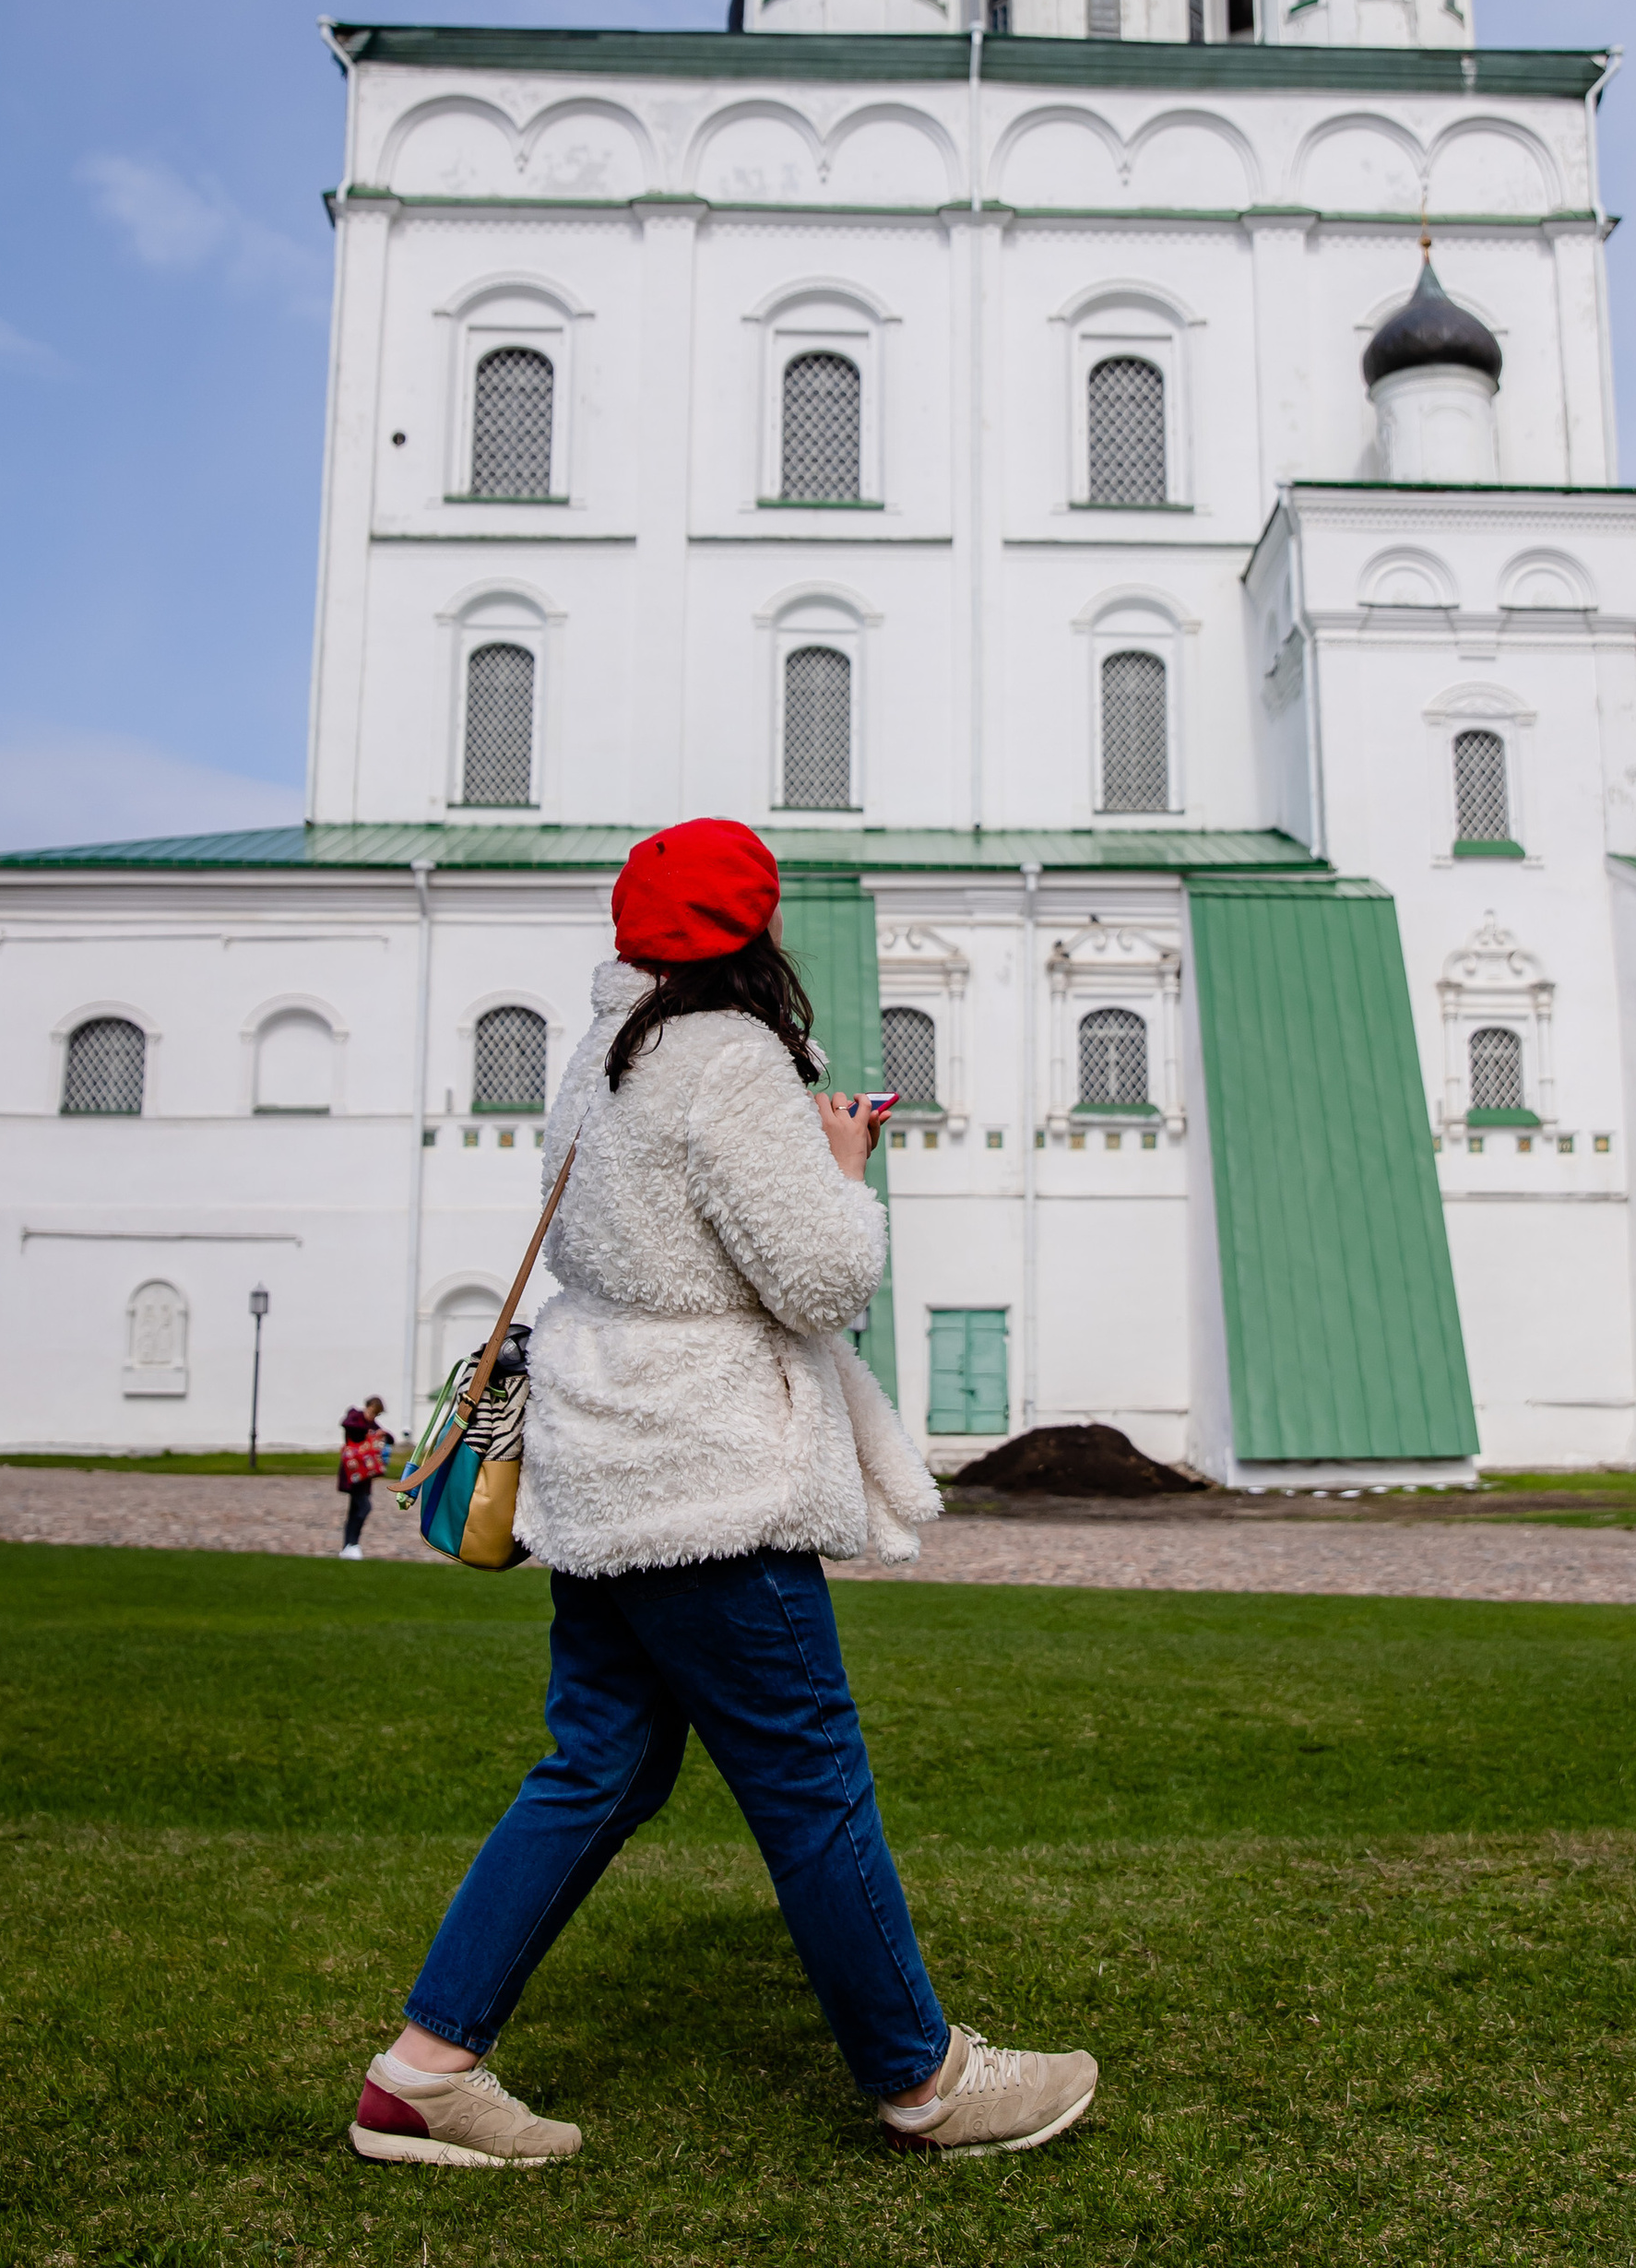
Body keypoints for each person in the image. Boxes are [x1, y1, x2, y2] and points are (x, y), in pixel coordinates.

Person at [350, 816, 1097, 2170]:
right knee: (810, 1776)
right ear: (755, 926)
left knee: (598, 1767)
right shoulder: (732, 1056)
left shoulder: (603, 1053)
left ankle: (422, 2073)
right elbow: (821, 1279)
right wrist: (843, 1169)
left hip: (605, 1456)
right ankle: (923, 2080)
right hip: (706, 1470)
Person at [337, 1407, 386, 1559]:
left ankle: (349, 1546)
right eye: (373, 1413)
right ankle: (352, 1543)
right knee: (364, 1507)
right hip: (353, 1473)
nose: (373, 1417)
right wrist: (368, 1430)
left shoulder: (372, 1425)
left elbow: (388, 1437)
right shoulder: (355, 1418)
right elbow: (348, 1425)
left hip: (364, 1475)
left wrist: (380, 1433)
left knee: (354, 1511)